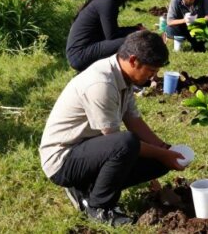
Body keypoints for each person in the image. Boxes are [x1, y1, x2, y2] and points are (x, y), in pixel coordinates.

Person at [40, 31, 187, 227]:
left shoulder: (125, 78)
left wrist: (165, 149)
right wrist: (162, 153)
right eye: (151, 70)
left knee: (160, 161)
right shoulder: (102, 83)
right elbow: (118, 141)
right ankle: (99, 207)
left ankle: (88, 188)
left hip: (89, 148)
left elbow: (134, 121)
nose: (154, 77)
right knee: (126, 143)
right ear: (133, 60)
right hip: (63, 159)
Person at [66, 0, 146, 72]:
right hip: (79, 55)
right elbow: (112, 36)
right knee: (133, 41)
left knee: (133, 37)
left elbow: (112, 32)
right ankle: (133, 73)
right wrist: (136, 31)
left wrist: (135, 29)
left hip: (85, 49)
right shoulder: (107, 2)